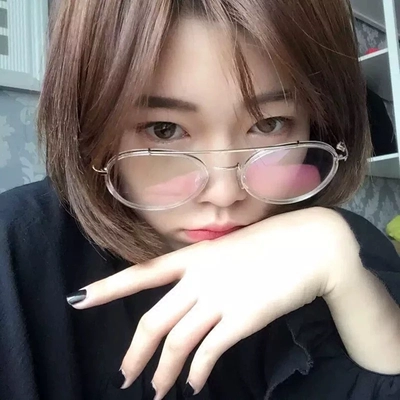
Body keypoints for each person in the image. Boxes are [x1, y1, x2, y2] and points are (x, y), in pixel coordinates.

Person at [1, 0, 400, 399]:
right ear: (89, 128)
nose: (225, 193)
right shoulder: (15, 255)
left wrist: (347, 274)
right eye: (164, 129)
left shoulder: (335, 249)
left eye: (269, 124)